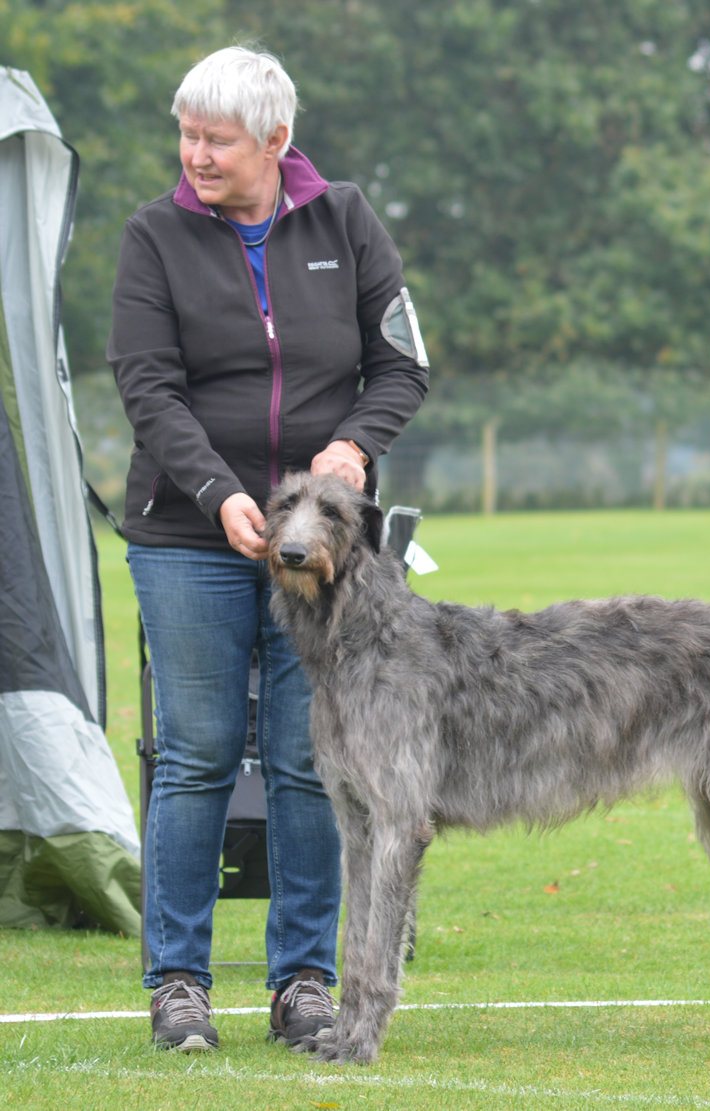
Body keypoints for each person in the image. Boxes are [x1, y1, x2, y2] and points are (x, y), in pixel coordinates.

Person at [107, 45, 430, 1052]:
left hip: (331, 550)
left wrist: (355, 445)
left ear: (275, 142)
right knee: (198, 756)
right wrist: (217, 496)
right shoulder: (153, 237)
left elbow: (401, 364)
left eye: (217, 139)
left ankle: (303, 982)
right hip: (189, 535)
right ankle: (179, 984)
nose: (194, 154)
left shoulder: (346, 218)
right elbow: (147, 385)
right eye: (187, 134)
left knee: (306, 762)